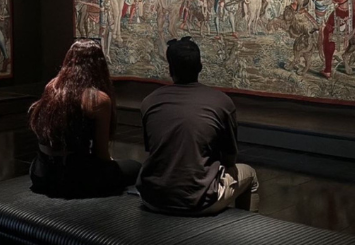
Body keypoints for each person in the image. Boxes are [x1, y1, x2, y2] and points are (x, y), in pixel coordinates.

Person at [137, 37, 259, 215]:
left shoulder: (149, 101)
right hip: (199, 200)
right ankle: (250, 228)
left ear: (170, 69)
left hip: (152, 197)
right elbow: (230, 159)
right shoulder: (221, 102)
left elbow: (153, 151)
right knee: (250, 175)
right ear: (200, 67)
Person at [29, 39, 141, 199]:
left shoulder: (52, 87)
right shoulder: (97, 99)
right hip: (72, 179)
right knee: (136, 167)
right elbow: (101, 154)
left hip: (40, 173)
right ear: (99, 66)